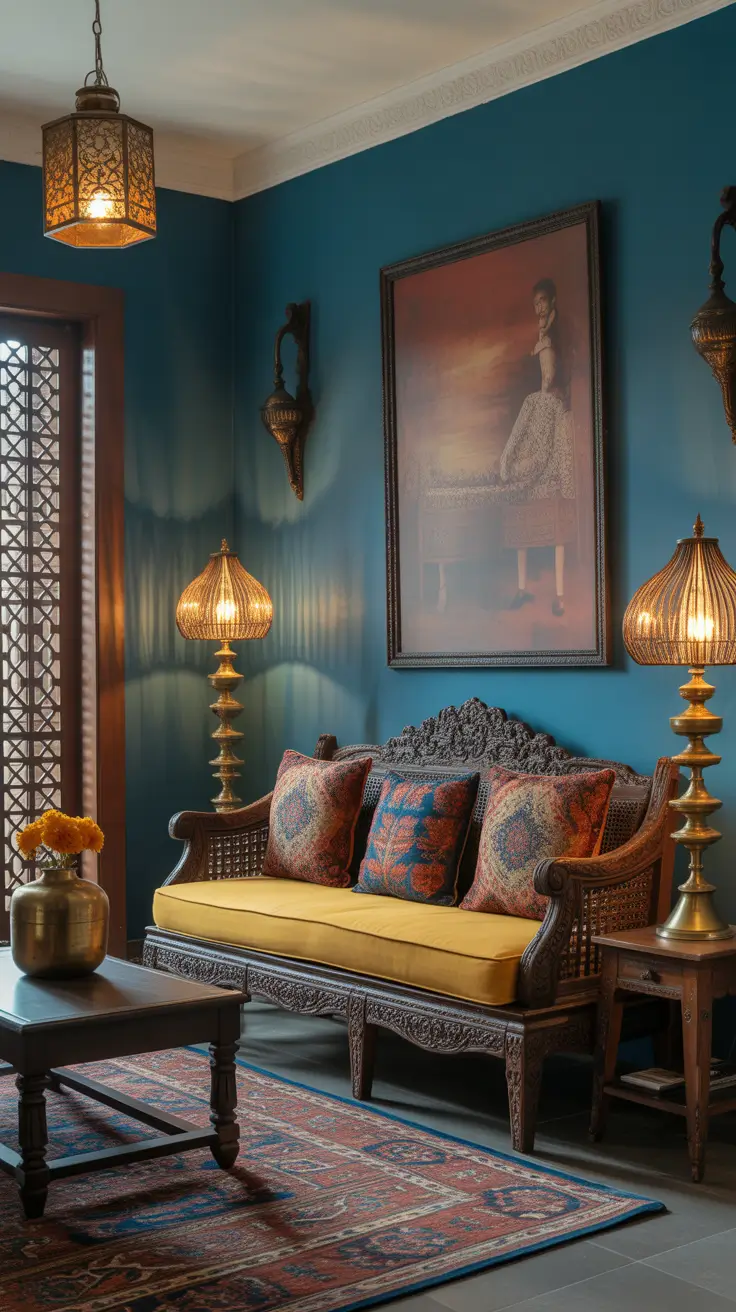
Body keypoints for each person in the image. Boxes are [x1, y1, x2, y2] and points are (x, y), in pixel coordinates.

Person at [493, 277, 576, 616]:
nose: (539, 308)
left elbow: (557, 371)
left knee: (553, 522)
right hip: (542, 404)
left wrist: (554, 392)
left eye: (543, 301)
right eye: (536, 303)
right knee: (520, 512)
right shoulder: (534, 401)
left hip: (553, 405)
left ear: (552, 300)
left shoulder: (558, 331)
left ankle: (559, 594)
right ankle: (522, 587)